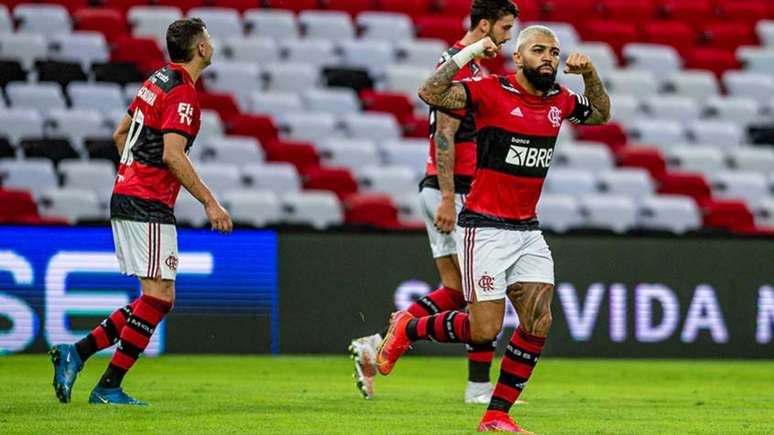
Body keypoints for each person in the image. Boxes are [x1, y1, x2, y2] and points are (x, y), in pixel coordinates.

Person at [378, 25, 611, 433]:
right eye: (539, 50)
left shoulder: (560, 100)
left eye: (555, 53)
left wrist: (590, 73)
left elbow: (601, 114)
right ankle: (408, 328)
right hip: (483, 227)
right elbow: (430, 93)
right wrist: (469, 55)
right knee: (484, 329)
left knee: (539, 322)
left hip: (527, 230)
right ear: (517, 58)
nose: (550, 58)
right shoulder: (489, 90)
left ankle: (496, 415)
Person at [49, 18, 233, 406]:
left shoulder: (156, 81)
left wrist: (133, 172)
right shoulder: (182, 94)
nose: (212, 44)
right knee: (160, 297)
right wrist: (210, 203)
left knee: (156, 297)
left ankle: (79, 355)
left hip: (131, 195)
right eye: (209, 39)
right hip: (145, 202)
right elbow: (171, 154)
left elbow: (121, 134)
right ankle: (106, 384)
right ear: (200, 49)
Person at [348, 0, 519, 403]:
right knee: (480, 290)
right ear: (484, 25)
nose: (509, 36)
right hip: (454, 190)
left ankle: (378, 342)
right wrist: (447, 196)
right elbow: (444, 134)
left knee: (457, 290)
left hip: (450, 189)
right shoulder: (460, 66)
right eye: (506, 27)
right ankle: (478, 390)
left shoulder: (465, 64)